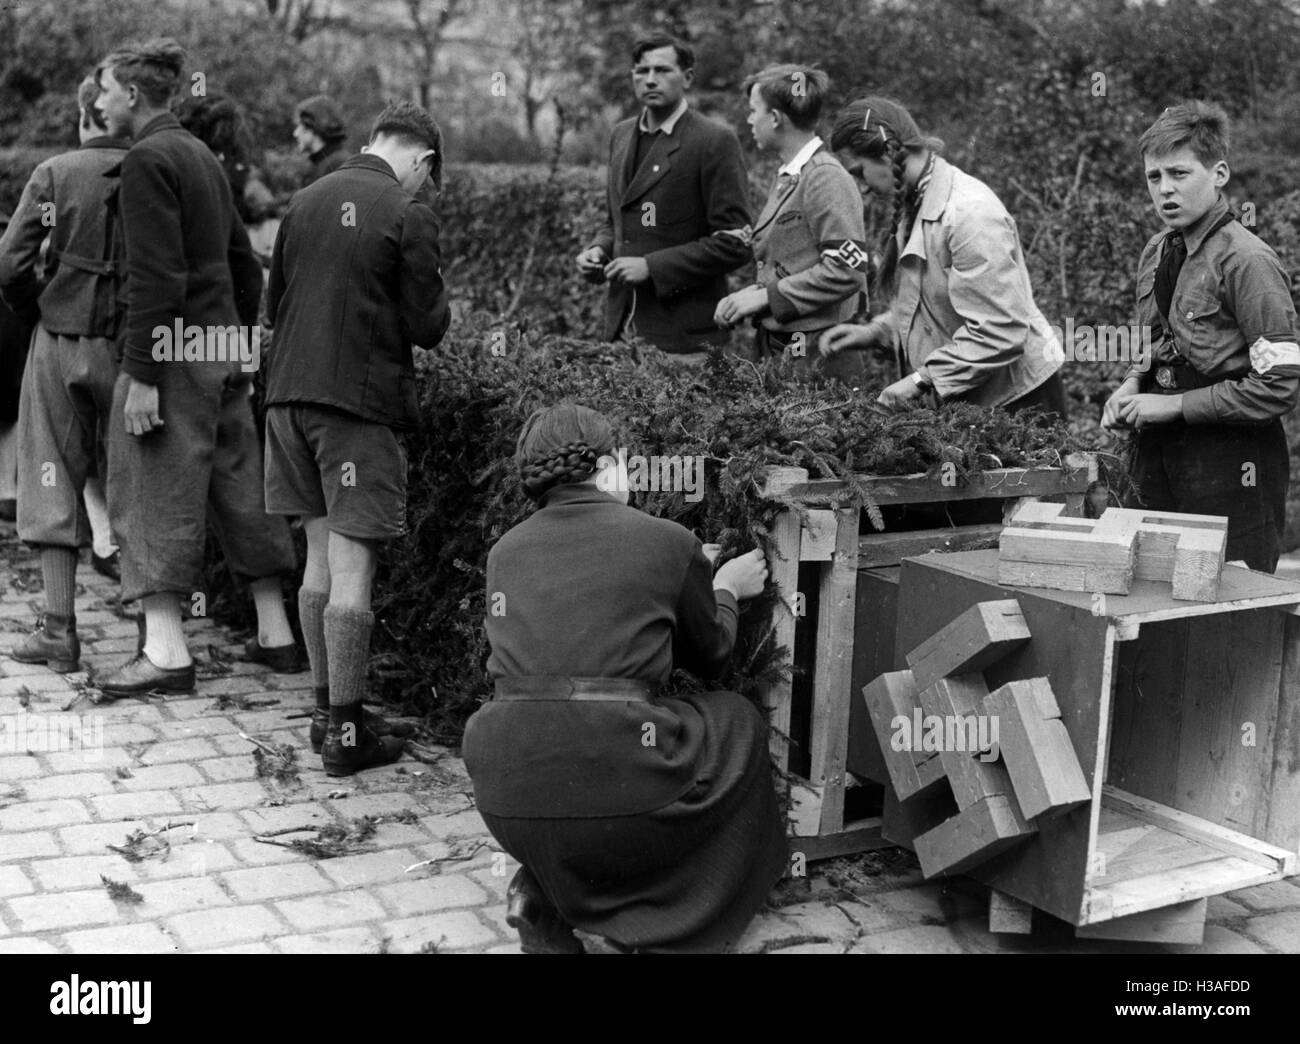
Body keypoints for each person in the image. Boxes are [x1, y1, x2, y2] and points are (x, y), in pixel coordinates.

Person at [462, 404, 787, 954]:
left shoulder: (504, 551)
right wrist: (723, 587)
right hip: (615, 769)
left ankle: (541, 891)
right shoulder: (666, 540)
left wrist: (676, 572)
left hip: (504, 787)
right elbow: (710, 658)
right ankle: (659, 923)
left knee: (580, 781)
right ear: (611, 464)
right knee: (735, 719)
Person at [92, 38, 300, 696]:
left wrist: (145, 376)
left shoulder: (149, 159)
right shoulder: (203, 157)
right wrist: (238, 341)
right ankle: (278, 637)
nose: (97, 101)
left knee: (148, 487)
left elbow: (157, 279)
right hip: (217, 347)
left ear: (131, 94)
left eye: (103, 90)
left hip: (171, 352)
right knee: (240, 486)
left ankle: (166, 653)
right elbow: (242, 262)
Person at [264, 100, 449, 775]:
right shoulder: (409, 212)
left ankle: (326, 713)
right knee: (352, 571)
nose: (426, 187)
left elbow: (275, 302)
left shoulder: (306, 199)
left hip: (285, 399)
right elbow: (428, 326)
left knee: (317, 559)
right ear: (422, 161)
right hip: (355, 407)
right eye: (429, 176)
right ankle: (347, 738)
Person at [1102, 102, 1300, 572]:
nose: (1165, 189)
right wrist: (1133, 382)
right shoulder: (1158, 250)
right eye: (1154, 177)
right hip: (1160, 453)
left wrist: (1171, 405)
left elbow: (1280, 384)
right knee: (1150, 594)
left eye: (1179, 173)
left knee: (1229, 605)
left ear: (1219, 174)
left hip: (1234, 463)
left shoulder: (1248, 261)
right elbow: (1155, 340)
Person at [819, 97, 1065, 416]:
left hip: (1018, 402)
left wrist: (921, 379)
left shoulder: (969, 215)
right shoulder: (918, 199)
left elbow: (1001, 329)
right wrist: (877, 332)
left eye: (859, 172)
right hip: (973, 397)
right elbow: (933, 303)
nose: (862, 188)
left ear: (886, 152)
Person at [0, 77, 130, 672]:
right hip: (136, 347)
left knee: (50, 467)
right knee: (141, 477)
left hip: (61, 338)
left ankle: (59, 630)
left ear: (85, 116)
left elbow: (10, 264)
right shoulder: (158, 171)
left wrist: (40, 307)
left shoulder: (54, 173)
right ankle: (159, 637)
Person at [576, 34, 751, 361]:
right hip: (620, 334)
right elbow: (616, 220)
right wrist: (598, 250)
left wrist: (652, 267)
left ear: (687, 78)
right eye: (641, 71)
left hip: (685, 341)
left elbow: (735, 243)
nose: (650, 80)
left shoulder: (714, 141)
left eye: (662, 70)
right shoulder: (622, 134)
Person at [714, 64, 868, 383]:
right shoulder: (793, 174)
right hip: (788, 347)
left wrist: (763, 297)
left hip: (815, 356)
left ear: (775, 118)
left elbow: (846, 269)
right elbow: (795, 256)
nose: (749, 120)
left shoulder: (824, 177)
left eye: (753, 110)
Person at [293, 95, 349, 188]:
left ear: (312, 128)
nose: (295, 133)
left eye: (299, 126)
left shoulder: (337, 165)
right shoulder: (321, 164)